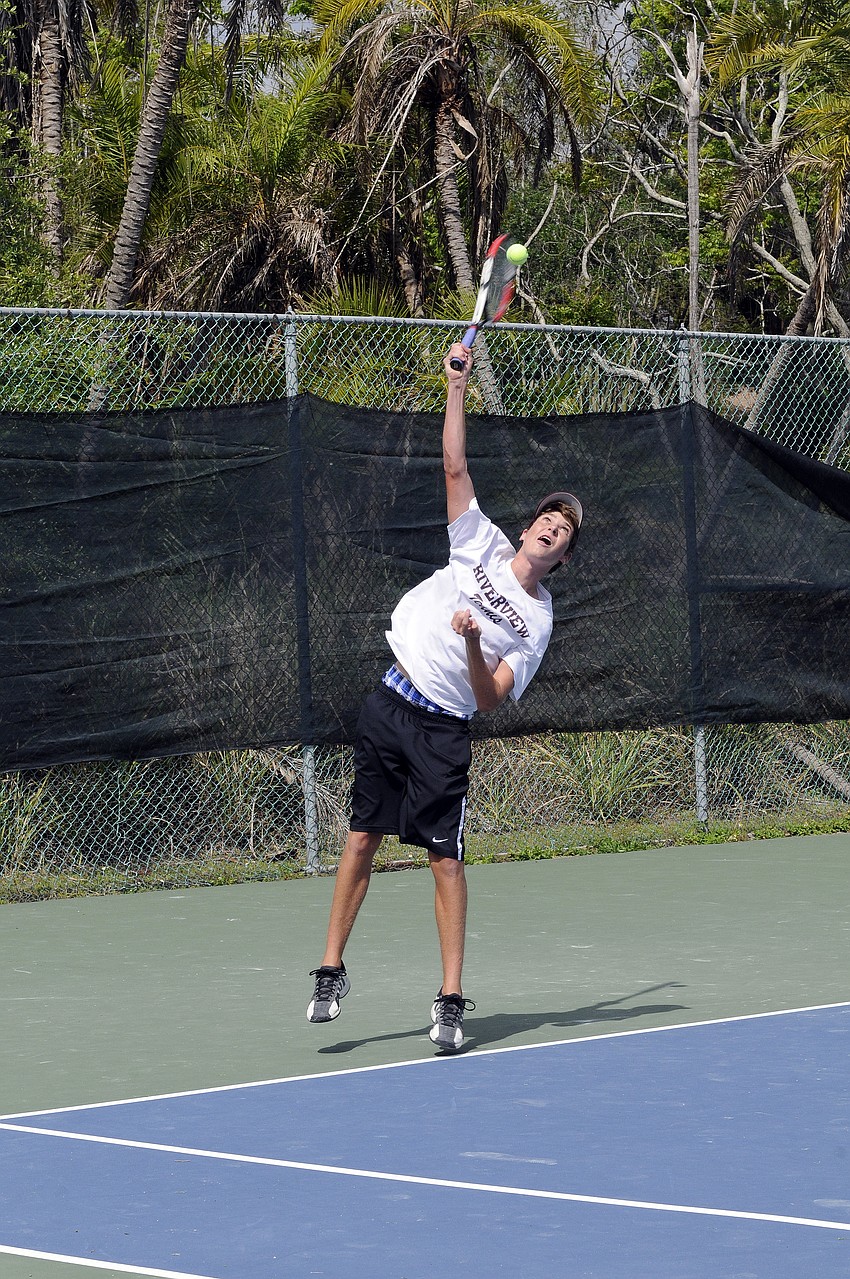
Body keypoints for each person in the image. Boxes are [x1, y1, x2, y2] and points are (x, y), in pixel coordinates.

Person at [306, 340, 583, 1051]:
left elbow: (490, 697)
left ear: (562, 557)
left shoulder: (538, 620)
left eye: (565, 532)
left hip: (442, 730)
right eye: (548, 519)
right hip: (388, 704)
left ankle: (451, 997)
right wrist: (454, 387)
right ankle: (331, 967)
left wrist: (468, 640)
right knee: (361, 836)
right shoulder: (480, 542)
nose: (553, 528)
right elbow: (455, 464)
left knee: (446, 860)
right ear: (527, 527)